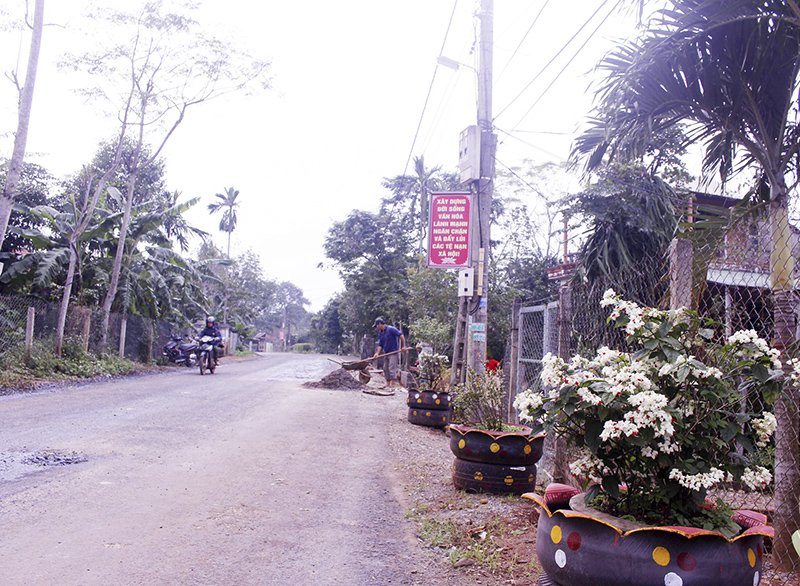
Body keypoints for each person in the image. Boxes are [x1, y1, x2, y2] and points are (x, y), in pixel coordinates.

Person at [372, 318, 405, 389]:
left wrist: (403, 346)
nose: (376, 327)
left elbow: (401, 335)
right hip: (386, 352)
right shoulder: (380, 332)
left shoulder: (391, 329)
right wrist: (377, 353)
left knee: (391, 367)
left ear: (380, 324)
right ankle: (387, 384)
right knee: (385, 368)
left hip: (393, 352)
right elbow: (380, 344)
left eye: (377, 326)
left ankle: (393, 385)